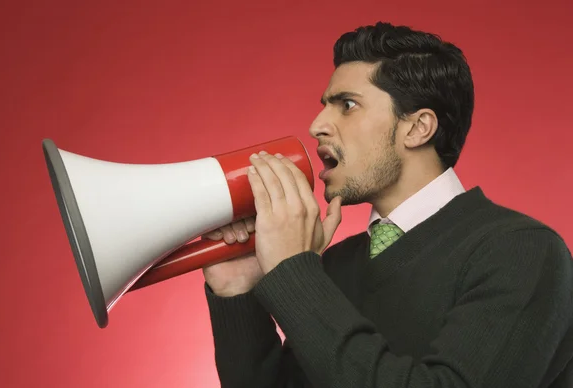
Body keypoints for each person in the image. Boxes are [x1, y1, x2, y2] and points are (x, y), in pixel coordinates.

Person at [200, 21, 573, 388]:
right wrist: (238, 289)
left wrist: (293, 272)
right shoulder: (335, 265)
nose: (316, 126)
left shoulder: (522, 251)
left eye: (347, 105)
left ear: (417, 128)